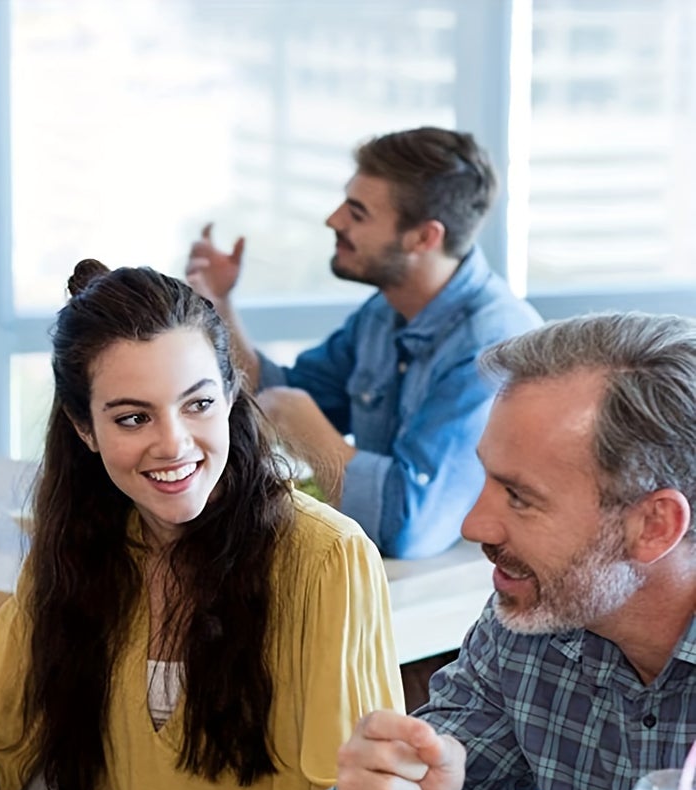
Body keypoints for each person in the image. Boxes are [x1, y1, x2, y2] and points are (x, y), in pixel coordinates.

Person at [0, 262, 402, 790]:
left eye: (198, 403)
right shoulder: (74, 552)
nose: (173, 443)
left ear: (232, 393)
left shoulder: (328, 559)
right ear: (83, 427)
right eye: (132, 419)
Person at [280, 312, 696, 790]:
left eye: (519, 497)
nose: (474, 522)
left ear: (653, 525)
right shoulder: (529, 630)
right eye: (486, 478)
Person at [185, 127, 540, 562]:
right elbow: (267, 393)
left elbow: (407, 527)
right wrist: (219, 302)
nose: (334, 220)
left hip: (460, 597)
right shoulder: (384, 312)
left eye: (357, 212)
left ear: (424, 237)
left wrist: (306, 426)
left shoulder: (491, 346)